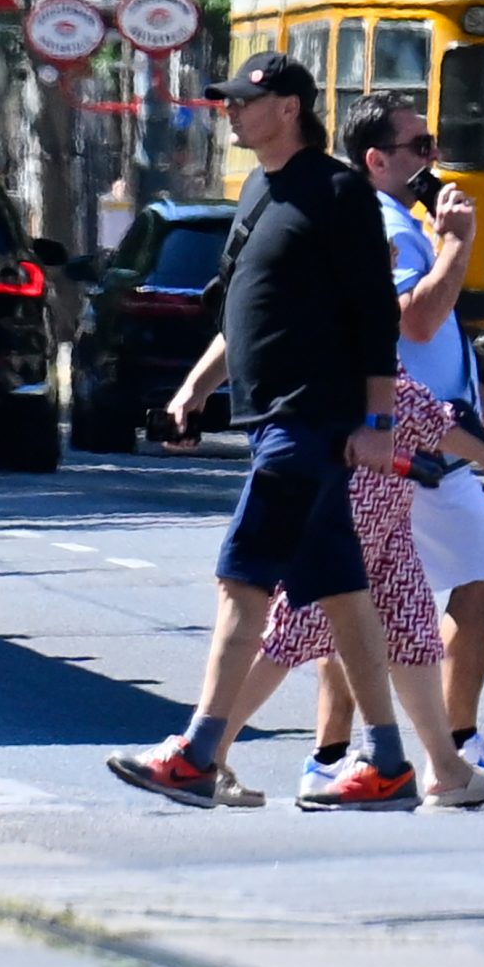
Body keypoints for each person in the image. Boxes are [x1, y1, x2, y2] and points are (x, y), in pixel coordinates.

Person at [104, 52, 420, 812]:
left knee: (241, 582)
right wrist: (194, 387)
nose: (232, 112)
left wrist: (378, 422)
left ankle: (198, 754)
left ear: (290, 107)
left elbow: (376, 316)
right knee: (344, 595)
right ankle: (387, 763)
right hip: (273, 417)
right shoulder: (256, 189)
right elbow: (246, 307)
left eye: (246, 100)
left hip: (308, 423)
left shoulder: (339, 191)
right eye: (229, 101)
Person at [174, 368, 484, 809]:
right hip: (351, 514)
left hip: (389, 515)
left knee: (412, 633)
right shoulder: (367, 357)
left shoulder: (368, 353)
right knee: (289, 635)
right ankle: (211, 755)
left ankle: (447, 768)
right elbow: (422, 414)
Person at [333, 91, 484, 792]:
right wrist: (457, 244)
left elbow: (444, 335)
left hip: (436, 443)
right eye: (420, 148)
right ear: (377, 160)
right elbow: (415, 324)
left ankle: (441, 746)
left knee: (452, 589)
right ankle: (373, 752)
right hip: (401, 445)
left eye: (433, 144)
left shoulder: (402, 221)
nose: (434, 161)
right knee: (353, 606)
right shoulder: (381, 227)